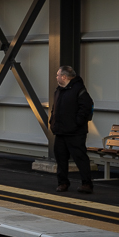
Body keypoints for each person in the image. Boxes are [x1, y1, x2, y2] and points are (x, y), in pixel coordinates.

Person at [50, 65, 95, 194]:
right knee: (60, 158)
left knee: (80, 158)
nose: (56, 77)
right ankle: (62, 183)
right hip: (60, 131)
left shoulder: (79, 90)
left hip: (75, 133)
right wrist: (52, 122)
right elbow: (55, 108)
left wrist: (77, 123)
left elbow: (86, 107)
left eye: (58, 75)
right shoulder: (59, 90)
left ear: (64, 77)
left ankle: (87, 184)